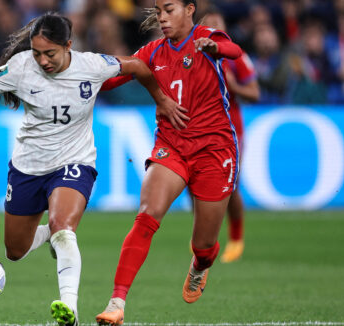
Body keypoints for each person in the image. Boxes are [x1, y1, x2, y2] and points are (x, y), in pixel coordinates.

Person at [0, 12, 182, 326]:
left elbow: (137, 66)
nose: (42, 60)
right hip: (27, 167)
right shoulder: (20, 67)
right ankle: (53, 237)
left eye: (50, 53)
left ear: (68, 45)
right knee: (15, 250)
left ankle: (69, 308)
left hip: (75, 161)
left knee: (64, 227)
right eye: (37, 53)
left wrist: (161, 99)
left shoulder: (93, 65)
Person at [94, 1, 243, 324]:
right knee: (147, 216)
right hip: (171, 146)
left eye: (169, 9)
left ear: (190, 10)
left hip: (215, 150)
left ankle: (200, 265)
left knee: (203, 245)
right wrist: (81, 77)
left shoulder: (206, 37)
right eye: (159, 10)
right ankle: (116, 303)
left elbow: (234, 51)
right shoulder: (152, 52)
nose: (162, 17)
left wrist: (215, 46)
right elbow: (114, 78)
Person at [201, 8, 260, 263]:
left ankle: (236, 238)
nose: (214, 28)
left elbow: (255, 93)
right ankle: (203, 238)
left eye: (218, 23)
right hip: (199, 128)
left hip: (230, 128)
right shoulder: (193, 53)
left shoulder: (236, 56)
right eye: (209, 24)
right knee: (196, 187)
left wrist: (234, 86)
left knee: (230, 185)